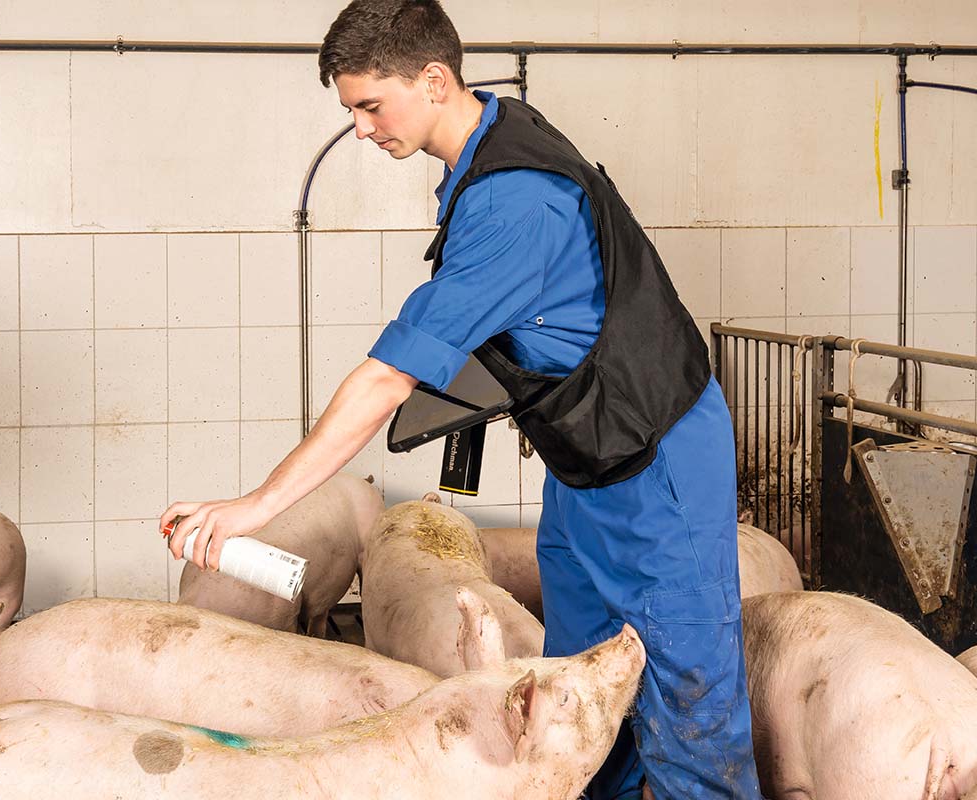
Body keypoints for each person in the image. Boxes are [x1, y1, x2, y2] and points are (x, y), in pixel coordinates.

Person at [160, 1, 760, 797]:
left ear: (435, 81)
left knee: (689, 699)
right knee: (574, 695)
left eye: (371, 106)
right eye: (352, 110)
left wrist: (256, 507)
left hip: (656, 462)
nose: (361, 129)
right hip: (587, 455)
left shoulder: (515, 203)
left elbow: (386, 379)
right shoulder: (491, 146)